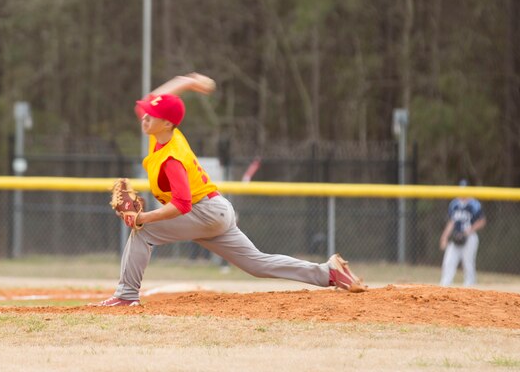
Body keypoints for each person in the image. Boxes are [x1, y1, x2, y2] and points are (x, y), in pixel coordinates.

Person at [91, 73, 364, 306]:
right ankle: (328, 273)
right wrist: (186, 81)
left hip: (204, 212)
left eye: (154, 115)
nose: (145, 117)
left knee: (144, 233)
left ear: (168, 123)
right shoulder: (162, 133)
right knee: (257, 264)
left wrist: (142, 219)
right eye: (148, 113)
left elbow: (182, 205)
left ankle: (126, 296)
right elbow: (154, 98)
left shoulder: (172, 158)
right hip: (215, 210)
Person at [439, 179, 486, 286]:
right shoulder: (454, 204)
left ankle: (469, 286)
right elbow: (451, 222)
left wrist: (470, 229)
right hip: (456, 236)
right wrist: (444, 237)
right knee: (449, 261)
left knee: (468, 263)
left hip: (470, 237)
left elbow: (482, 221)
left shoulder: (474, 204)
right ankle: (444, 285)